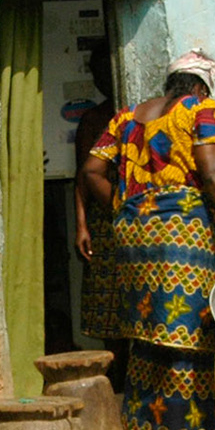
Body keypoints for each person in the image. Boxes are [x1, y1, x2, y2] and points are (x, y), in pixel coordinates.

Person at [79, 50, 215, 430]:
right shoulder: (200, 109)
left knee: (146, 334)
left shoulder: (127, 117)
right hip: (183, 234)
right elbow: (214, 175)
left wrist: (124, 207)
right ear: (200, 85)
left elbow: (92, 170)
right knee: (189, 332)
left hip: (132, 236)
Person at [71, 47, 128, 389]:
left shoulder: (138, 118)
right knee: (109, 309)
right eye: (96, 72)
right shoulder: (93, 120)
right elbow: (83, 176)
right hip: (104, 222)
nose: (101, 79)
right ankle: (116, 383)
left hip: (138, 219)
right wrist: (81, 224)